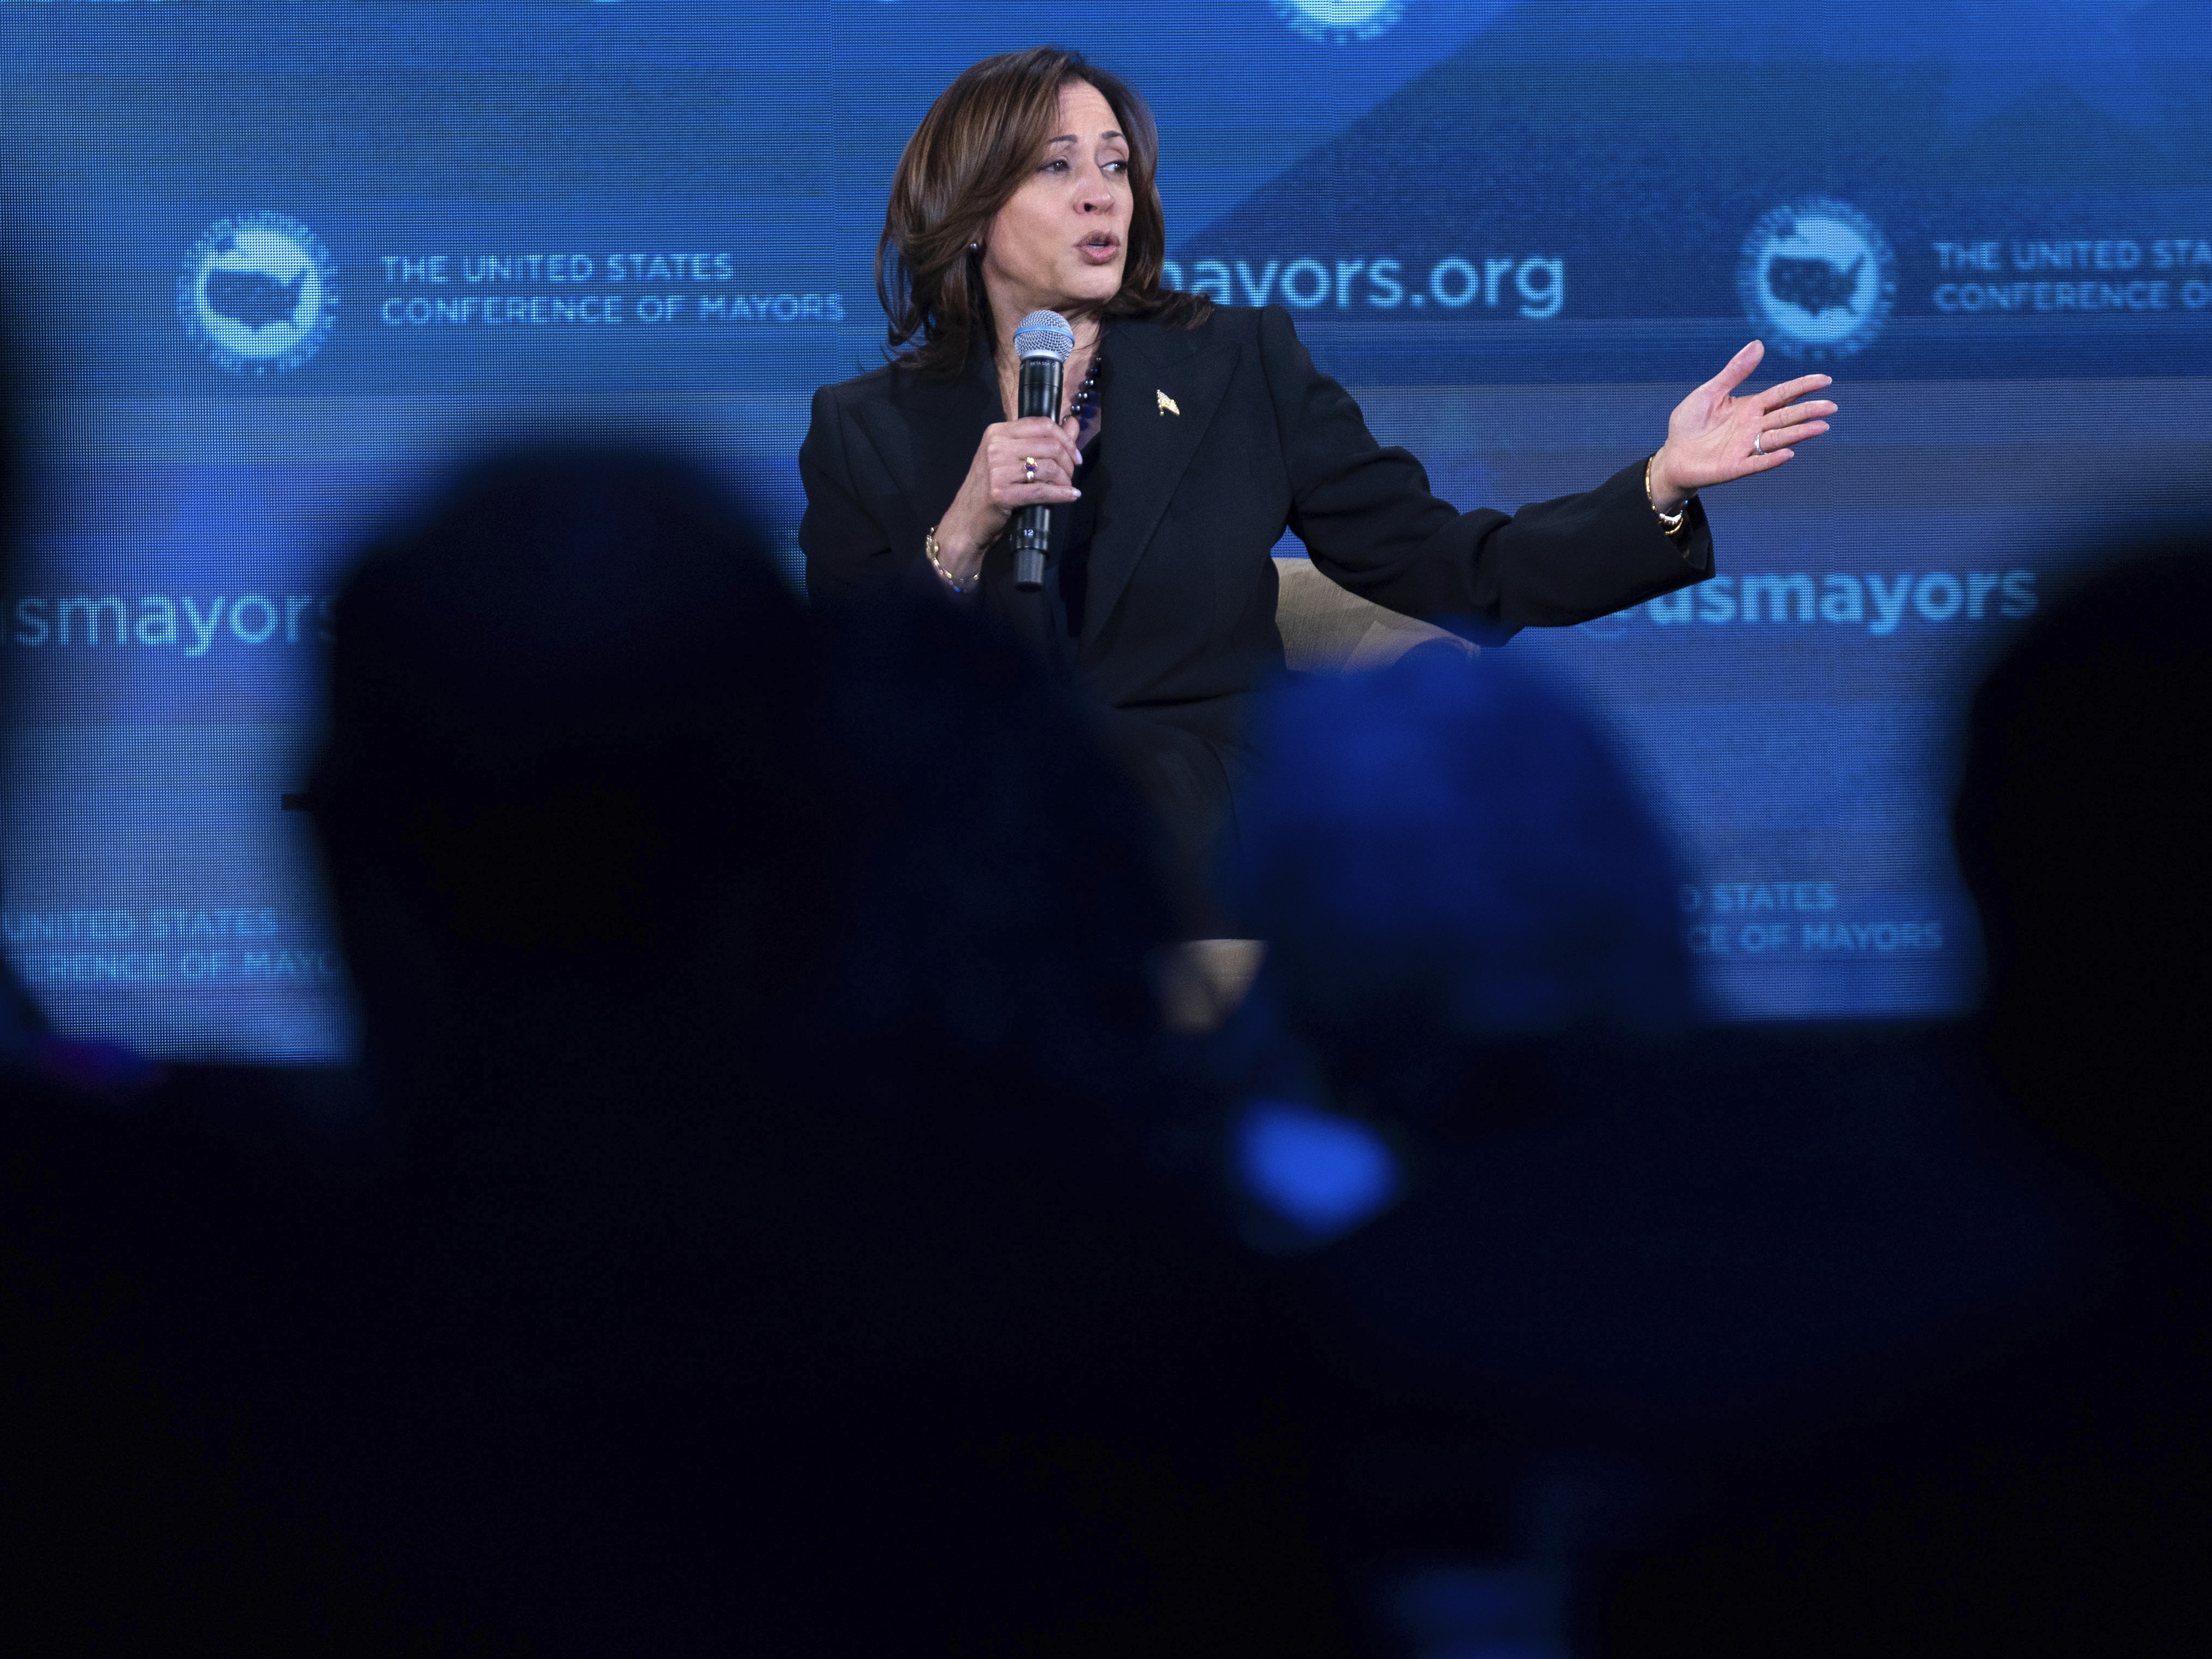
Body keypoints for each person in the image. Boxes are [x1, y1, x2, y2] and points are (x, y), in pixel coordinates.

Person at [799, 45, 1837, 929]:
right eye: (1056, 166)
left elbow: (1452, 568)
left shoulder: (1237, 363)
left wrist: (1658, 484)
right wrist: (964, 533)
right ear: (972, 212)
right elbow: (844, 695)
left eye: (1116, 165)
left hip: (1194, 811)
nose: (1099, 192)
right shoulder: (866, 427)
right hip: (967, 814)